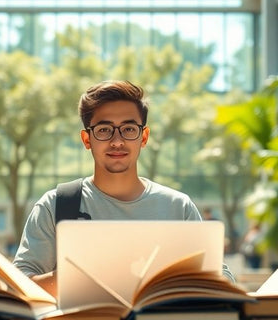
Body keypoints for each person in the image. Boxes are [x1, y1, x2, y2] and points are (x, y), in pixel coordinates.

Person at [13, 80, 235, 296]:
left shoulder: (178, 207)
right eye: (104, 129)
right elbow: (19, 283)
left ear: (144, 137)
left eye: (128, 129)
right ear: (87, 139)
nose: (117, 141)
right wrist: (78, 275)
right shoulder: (56, 205)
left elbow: (223, 279)